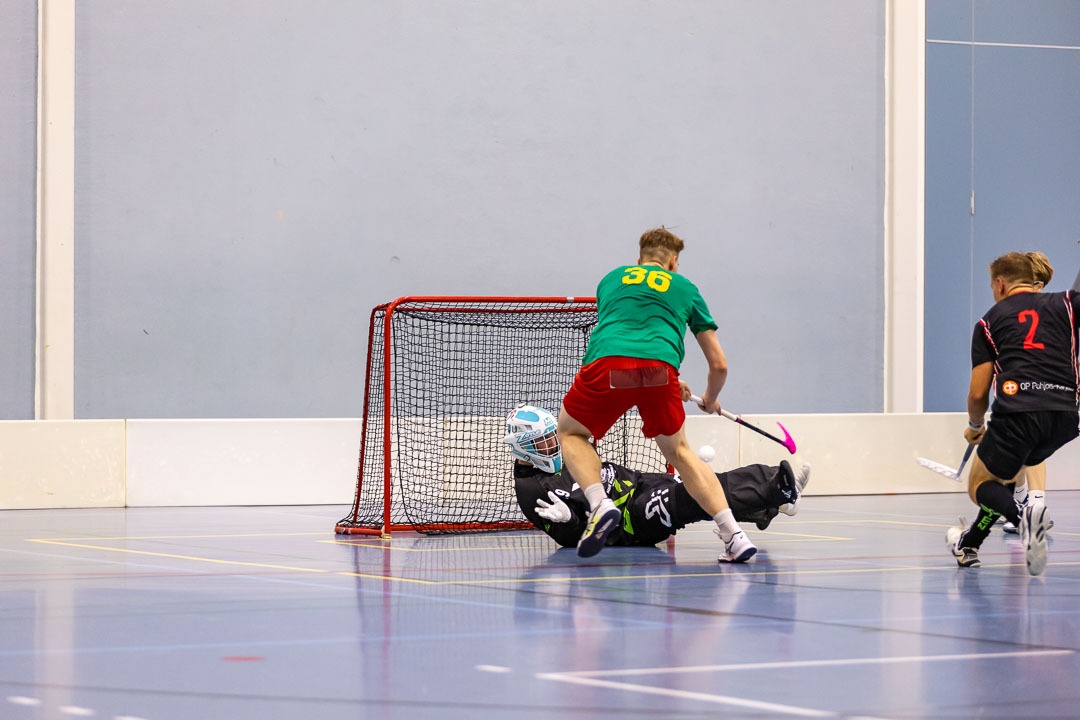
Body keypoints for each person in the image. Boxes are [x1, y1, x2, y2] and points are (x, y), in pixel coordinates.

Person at [557, 227, 755, 562]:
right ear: (673, 262)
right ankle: (733, 535)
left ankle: (600, 504)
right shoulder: (686, 288)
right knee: (681, 452)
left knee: (571, 432)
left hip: (608, 365)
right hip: (660, 372)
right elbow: (719, 365)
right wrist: (709, 397)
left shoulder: (611, 280)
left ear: (639, 259)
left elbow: (628, 340)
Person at [504, 404, 811, 548]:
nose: (553, 445)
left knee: (705, 486)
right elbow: (573, 540)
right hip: (631, 520)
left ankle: (776, 503)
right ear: (523, 448)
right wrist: (568, 521)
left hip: (639, 482)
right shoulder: (531, 491)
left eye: (552, 437)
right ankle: (775, 485)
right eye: (543, 442)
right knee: (689, 498)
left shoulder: (567, 449)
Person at [947, 251, 1080, 575]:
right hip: (1066, 416)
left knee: (980, 486)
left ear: (1001, 284)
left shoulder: (989, 322)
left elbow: (978, 393)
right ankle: (969, 544)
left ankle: (1024, 520)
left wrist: (975, 425)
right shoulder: (1065, 303)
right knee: (1005, 480)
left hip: (1019, 413)